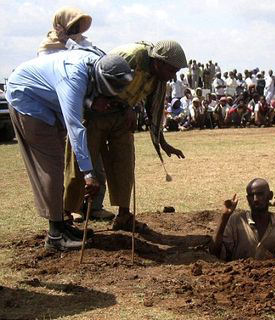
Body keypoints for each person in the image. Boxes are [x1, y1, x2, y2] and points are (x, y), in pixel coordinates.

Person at [5, 47, 133, 250]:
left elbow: (82, 99)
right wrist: (88, 173)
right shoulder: (73, 78)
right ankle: (56, 236)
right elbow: (75, 126)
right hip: (27, 98)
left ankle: (62, 226)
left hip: (46, 102)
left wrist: (92, 102)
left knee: (56, 163)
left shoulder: (98, 63)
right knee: (52, 167)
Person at [64, 40, 187, 233]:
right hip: (94, 114)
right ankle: (66, 218)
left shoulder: (158, 78)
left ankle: (124, 215)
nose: (173, 77)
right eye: (172, 71)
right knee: (80, 165)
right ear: (159, 62)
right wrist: (97, 104)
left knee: (124, 164)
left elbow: (152, 108)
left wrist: (162, 142)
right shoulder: (132, 57)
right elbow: (93, 81)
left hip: (121, 118)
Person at [38, 7, 113, 221]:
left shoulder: (85, 45)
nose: (77, 28)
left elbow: (97, 61)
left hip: (87, 111)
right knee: (69, 166)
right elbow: (64, 78)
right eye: (74, 24)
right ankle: (68, 210)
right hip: (60, 113)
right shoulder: (48, 48)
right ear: (61, 24)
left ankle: (93, 208)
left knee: (95, 162)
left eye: (80, 24)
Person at [210, 178, 275, 261]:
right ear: (247, 198)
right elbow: (215, 252)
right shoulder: (236, 221)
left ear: (270, 195)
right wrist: (224, 217)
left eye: (260, 194)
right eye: (251, 195)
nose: (255, 199)